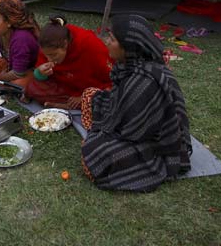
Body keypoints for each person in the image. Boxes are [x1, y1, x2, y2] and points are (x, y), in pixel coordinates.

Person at [80, 14, 192, 192]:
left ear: (128, 47)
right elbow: (121, 99)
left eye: (112, 39)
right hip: (132, 121)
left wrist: (106, 130)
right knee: (89, 95)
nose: (107, 41)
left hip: (154, 142)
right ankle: (100, 134)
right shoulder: (129, 64)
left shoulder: (144, 80)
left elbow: (134, 131)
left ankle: (108, 145)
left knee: (96, 155)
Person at [24, 15, 112, 109]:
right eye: (46, 56)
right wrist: (40, 73)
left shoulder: (91, 46)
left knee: (107, 100)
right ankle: (73, 105)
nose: (49, 60)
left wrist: (85, 96)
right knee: (32, 88)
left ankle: (69, 105)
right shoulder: (47, 44)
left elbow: (113, 81)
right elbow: (41, 72)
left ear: (65, 44)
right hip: (67, 87)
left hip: (93, 88)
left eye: (53, 55)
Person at [0, 0, 40, 88]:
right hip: (13, 66)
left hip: (30, 69)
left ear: (9, 22)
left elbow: (19, 72)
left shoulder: (21, 38)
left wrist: (0, 78)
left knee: (17, 84)